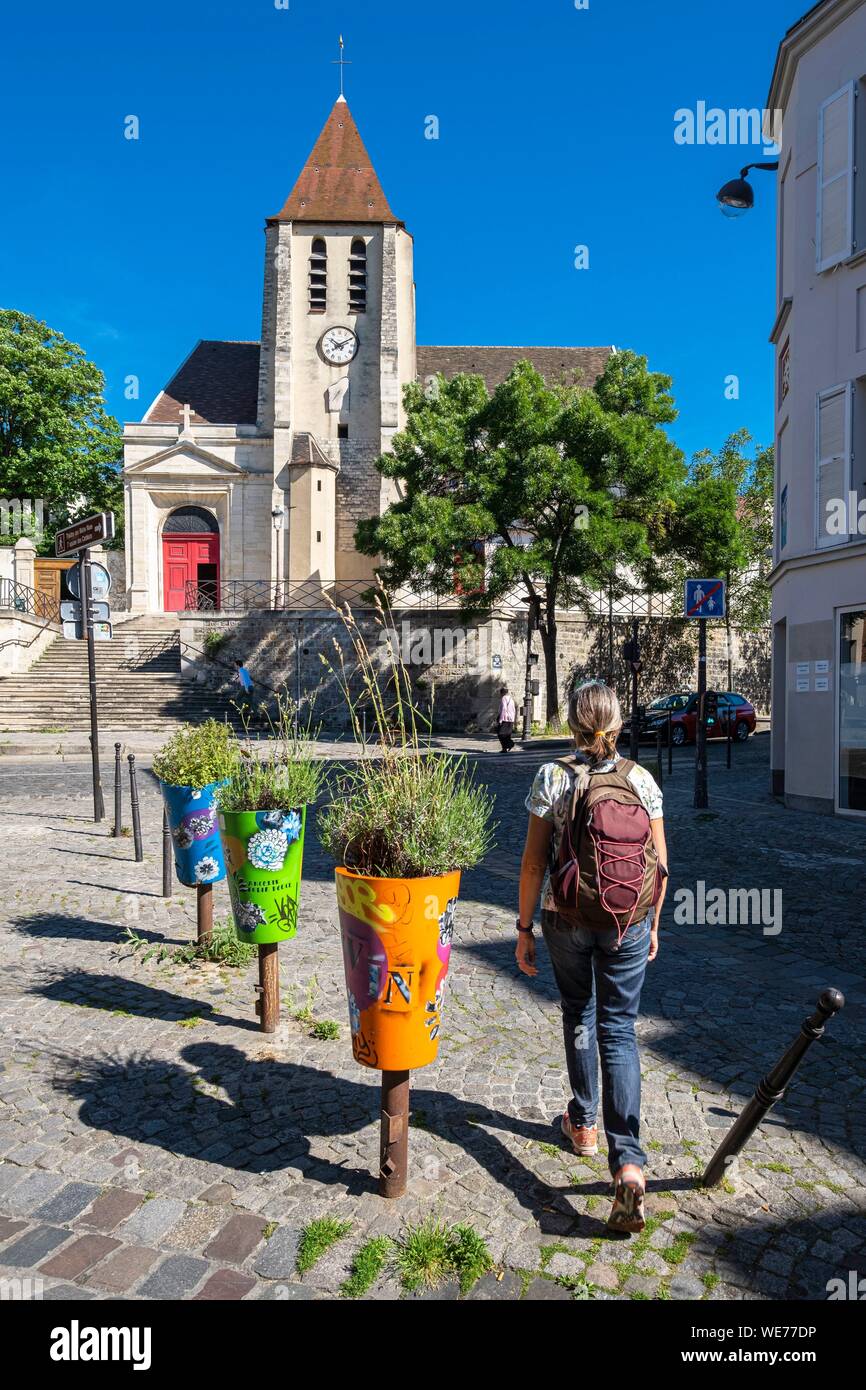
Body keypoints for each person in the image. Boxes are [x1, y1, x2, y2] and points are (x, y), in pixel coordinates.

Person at [515, 679, 668, 1234]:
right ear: (618, 724)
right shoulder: (643, 781)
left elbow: (533, 863)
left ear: (573, 726)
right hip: (628, 919)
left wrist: (524, 927)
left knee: (578, 1012)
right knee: (620, 1030)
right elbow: (661, 862)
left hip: (566, 916)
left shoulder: (552, 776)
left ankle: (582, 1126)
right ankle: (628, 1165)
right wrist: (651, 924)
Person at [497, 685, 516, 752]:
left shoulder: (504, 698)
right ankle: (505, 748)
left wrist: (500, 719)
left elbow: (504, 709)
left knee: (500, 734)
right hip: (511, 719)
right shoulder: (511, 699)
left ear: (502, 693)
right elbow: (514, 709)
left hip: (505, 719)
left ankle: (510, 744)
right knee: (507, 734)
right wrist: (513, 719)